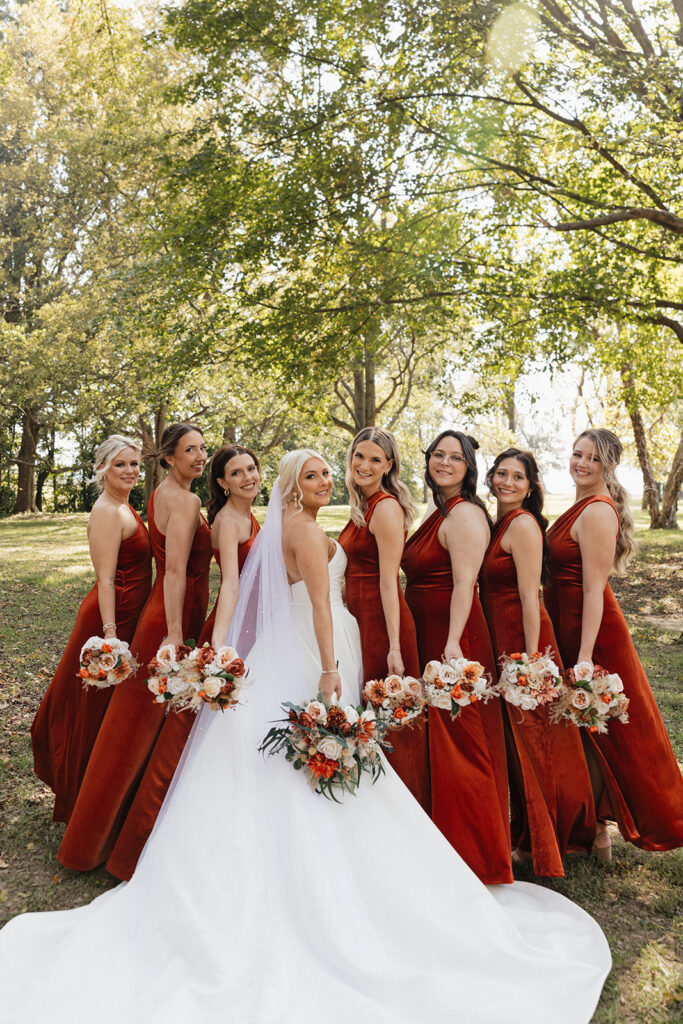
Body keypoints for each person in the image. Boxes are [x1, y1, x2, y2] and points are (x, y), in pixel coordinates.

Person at [0, 449, 611, 1024]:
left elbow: (250, 592)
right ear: (298, 486)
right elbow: (321, 605)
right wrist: (328, 670)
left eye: (328, 475)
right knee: (319, 760)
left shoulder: (278, 529)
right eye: (317, 476)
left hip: (282, 649)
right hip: (318, 648)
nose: (329, 482)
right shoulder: (307, 535)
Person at [56, 422, 212, 879]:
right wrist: (177, 632)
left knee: (134, 724)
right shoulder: (183, 499)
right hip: (169, 616)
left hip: (159, 609)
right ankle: (96, 839)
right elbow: (178, 571)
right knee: (132, 728)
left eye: (203, 449)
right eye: (190, 451)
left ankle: (116, 822)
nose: (200, 457)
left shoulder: (158, 493)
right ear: (168, 458)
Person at [545, 428, 683, 856]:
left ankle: (630, 822)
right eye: (577, 454)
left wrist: (585, 658)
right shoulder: (582, 504)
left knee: (616, 733)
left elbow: (593, 590)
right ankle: (595, 829)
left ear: (609, 465)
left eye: (593, 458)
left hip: (594, 635)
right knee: (585, 732)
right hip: (569, 628)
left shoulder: (599, 511)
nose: (581, 464)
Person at [401, 430, 512, 884]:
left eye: (454, 458)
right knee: (439, 742)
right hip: (428, 630)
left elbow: (466, 583)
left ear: (469, 467)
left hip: (453, 636)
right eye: (437, 455)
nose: (444, 463)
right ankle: (441, 843)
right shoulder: (439, 509)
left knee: (461, 742)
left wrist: (451, 646)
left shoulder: (465, 514)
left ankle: (476, 855)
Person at [478, 448, 596, 874]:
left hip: (522, 640)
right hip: (499, 640)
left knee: (538, 740)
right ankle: (528, 827)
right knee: (517, 742)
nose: (508, 482)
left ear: (530, 488)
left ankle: (556, 836)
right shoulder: (498, 523)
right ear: (490, 478)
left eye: (518, 477)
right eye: (502, 474)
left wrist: (530, 660)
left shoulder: (523, 525)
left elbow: (531, 596)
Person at [31, 435, 152, 824]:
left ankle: (99, 797)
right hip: (109, 618)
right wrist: (110, 635)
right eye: (121, 465)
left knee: (107, 710)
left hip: (127, 614)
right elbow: (104, 580)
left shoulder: (123, 505)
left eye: (134, 463)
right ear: (102, 469)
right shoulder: (106, 511)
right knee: (90, 708)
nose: (130, 470)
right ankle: (81, 799)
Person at [338, 427, 429, 810]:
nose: (365, 464)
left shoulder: (385, 507)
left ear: (389, 465)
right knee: (368, 714)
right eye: (360, 456)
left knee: (390, 717)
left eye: (376, 459)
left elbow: (390, 582)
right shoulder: (363, 504)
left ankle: (406, 810)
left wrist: (394, 646)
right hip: (358, 619)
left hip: (380, 621)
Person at [200, 444, 261, 648]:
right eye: (236, 473)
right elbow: (230, 583)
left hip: (255, 614)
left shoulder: (246, 513)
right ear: (222, 482)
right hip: (237, 622)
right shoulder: (228, 522)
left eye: (251, 469)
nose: (247, 477)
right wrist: (219, 642)